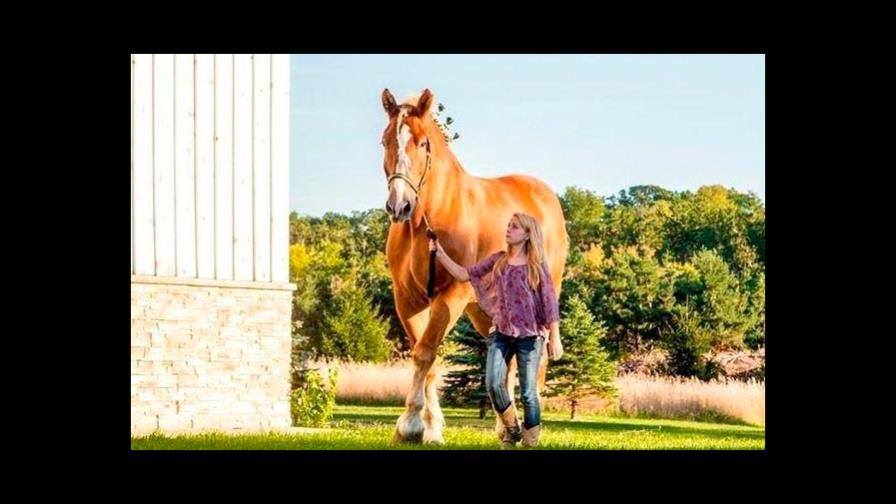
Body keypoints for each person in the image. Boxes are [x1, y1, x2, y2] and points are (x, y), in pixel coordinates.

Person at [429, 212, 563, 447]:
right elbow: (464, 274)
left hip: (530, 337)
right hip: (501, 333)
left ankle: (531, 440)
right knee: (493, 383)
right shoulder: (498, 260)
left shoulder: (537, 266)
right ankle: (511, 429)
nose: (508, 229)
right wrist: (439, 252)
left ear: (528, 234)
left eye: (515, 227)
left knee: (529, 392)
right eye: (508, 225)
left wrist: (555, 337)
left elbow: (550, 301)